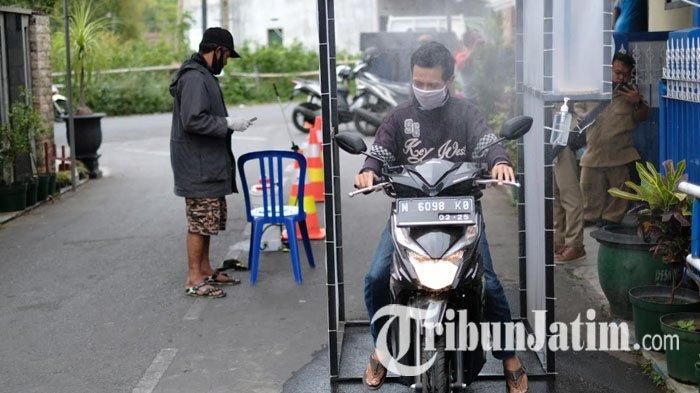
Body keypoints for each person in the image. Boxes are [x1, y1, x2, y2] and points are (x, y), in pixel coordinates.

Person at [355, 42, 528, 393]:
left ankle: (510, 357)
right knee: (375, 277)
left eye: (433, 84)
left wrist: (500, 161)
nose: (425, 90)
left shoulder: (466, 113)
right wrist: (368, 171)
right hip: (409, 216)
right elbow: (378, 151)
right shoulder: (399, 117)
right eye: (419, 82)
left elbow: (488, 142)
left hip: (460, 214)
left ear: (449, 80)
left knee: (490, 285)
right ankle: (383, 348)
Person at [170, 27, 254, 298]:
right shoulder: (195, 78)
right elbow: (192, 120)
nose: (227, 61)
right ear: (217, 50)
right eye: (227, 55)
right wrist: (228, 123)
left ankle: (205, 269)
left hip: (207, 163)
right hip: (198, 165)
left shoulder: (203, 75)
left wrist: (227, 124)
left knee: (206, 220)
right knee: (198, 222)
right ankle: (194, 278)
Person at [580, 51, 649, 226]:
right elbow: (577, 108)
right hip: (594, 153)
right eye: (617, 73)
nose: (620, 78)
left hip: (620, 154)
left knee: (619, 195)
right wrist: (581, 116)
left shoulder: (631, 94)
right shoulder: (593, 89)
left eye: (625, 75)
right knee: (589, 189)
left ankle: (610, 221)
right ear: (608, 69)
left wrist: (637, 102)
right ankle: (590, 218)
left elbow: (642, 116)